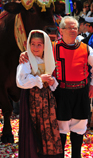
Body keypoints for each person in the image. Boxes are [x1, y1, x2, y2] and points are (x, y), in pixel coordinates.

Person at [19, 16, 93, 158]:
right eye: (69, 28)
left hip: (81, 92)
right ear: (61, 31)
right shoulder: (51, 48)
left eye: (75, 27)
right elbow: (36, 52)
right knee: (61, 129)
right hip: (61, 92)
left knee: (79, 127)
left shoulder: (85, 48)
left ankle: (76, 156)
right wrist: (25, 54)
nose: (73, 30)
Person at [16, 30, 63, 158]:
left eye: (39, 44)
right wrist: (39, 79)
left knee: (48, 126)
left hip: (47, 100)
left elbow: (53, 80)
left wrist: (52, 81)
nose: (35, 48)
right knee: (35, 127)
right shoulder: (27, 60)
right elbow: (20, 82)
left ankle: (48, 153)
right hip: (33, 99)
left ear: (45, 45)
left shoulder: (48, 59)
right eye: (33, 44)